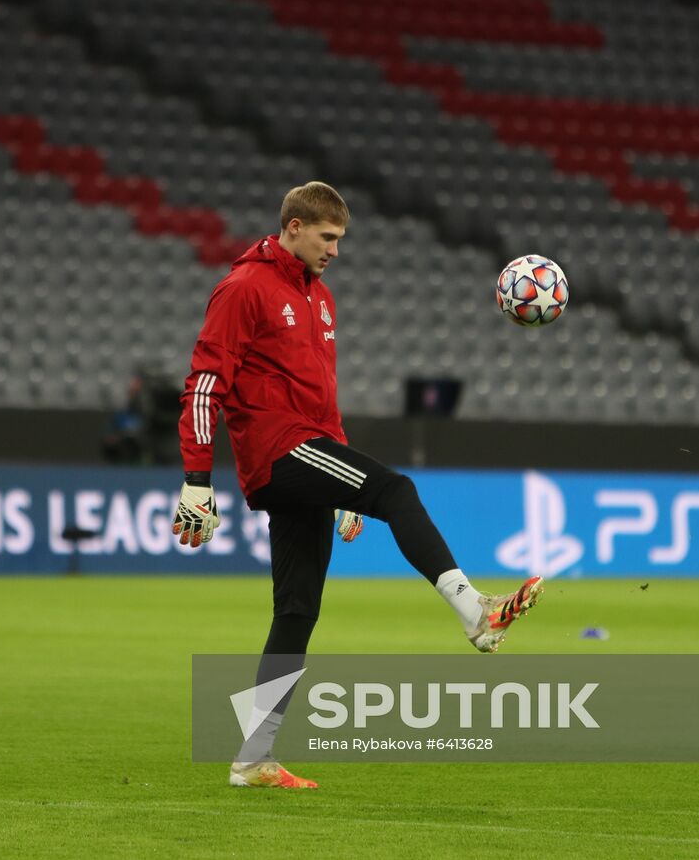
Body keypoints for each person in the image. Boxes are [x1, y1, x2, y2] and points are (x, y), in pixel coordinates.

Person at [171, 181, 543, 789]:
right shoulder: (243, 288)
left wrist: (339, 480)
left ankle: (253, 759)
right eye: (327, 237)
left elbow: (322, 402)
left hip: (309, 453)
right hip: (279, 451)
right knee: (395, 491)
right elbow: (206, 385)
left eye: (340, 239)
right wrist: (195, 481)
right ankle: (476, 611)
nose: (335, 250)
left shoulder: (321, 300)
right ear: (292, 227)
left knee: (296, 613)